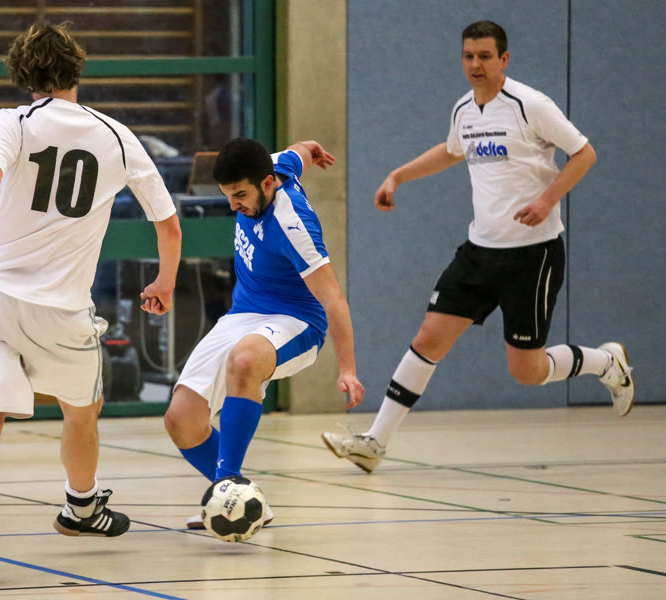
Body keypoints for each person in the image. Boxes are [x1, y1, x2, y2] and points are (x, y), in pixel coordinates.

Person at [322, 20, 635, 473]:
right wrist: (397, 176)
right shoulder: (464, 110)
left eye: (485, 56)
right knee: (428, 338)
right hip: (479, 252)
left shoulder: (531, 105)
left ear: (503, 59)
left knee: (526, 371)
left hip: (532, 255)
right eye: (469, 56)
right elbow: (452, 151)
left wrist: (547, 200)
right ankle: (374, 443)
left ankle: (606, 362)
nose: (476, 64)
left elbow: (584, 153)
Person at [0, 22, 181, 583]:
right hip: (62, 309)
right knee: (82, 410)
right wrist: (164, 282)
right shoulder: (118, 136)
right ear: (77, 68)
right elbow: (168, 223)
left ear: (23, 74)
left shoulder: (12, 121)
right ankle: (81, 505)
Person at [164, 137, 365, 530]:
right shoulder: (274, 165)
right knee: (181, 419)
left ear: (267, 183)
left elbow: (333, 297)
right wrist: (312, 149)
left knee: (245, 360)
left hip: (297, 320)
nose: (233, 206)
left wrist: (348, 369)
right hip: (244, 314)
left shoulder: (292, 225)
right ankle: (246, 498)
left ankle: (227, 491)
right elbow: (299, 152)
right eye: (227, 196)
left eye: (240, 195)